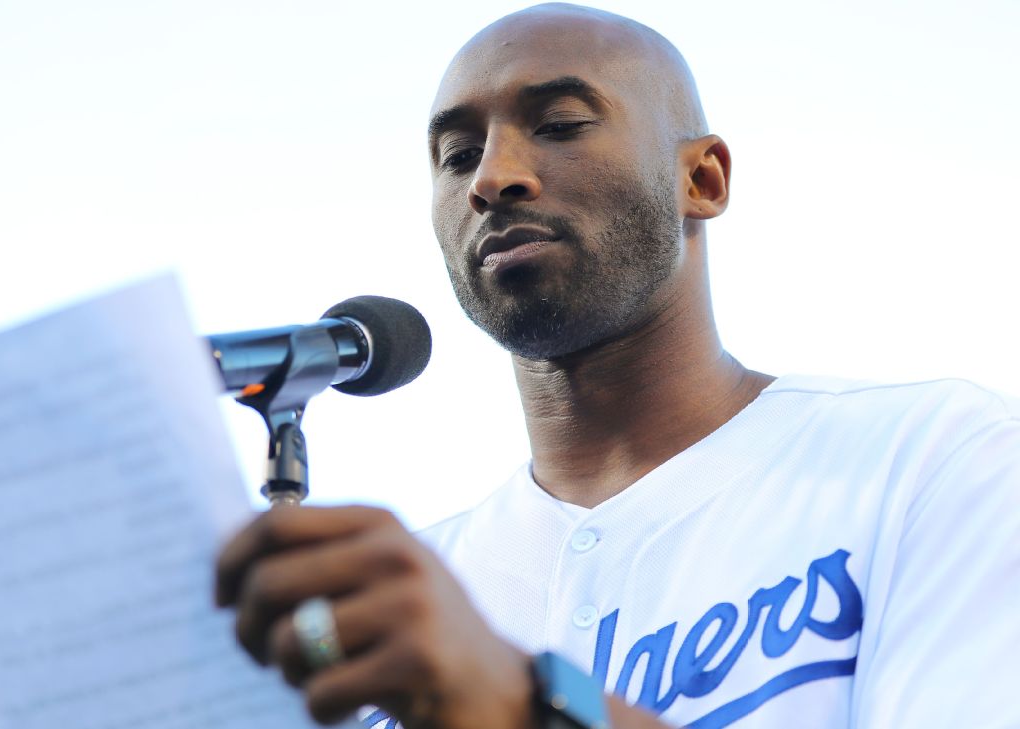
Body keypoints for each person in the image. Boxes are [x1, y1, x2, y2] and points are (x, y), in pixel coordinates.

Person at [214, 4, 1020, 728]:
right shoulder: (384, 612)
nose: (494, 178)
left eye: (560, 124)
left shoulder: (930, 458)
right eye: (458, 155)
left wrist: (517, 704)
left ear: (700, 179)